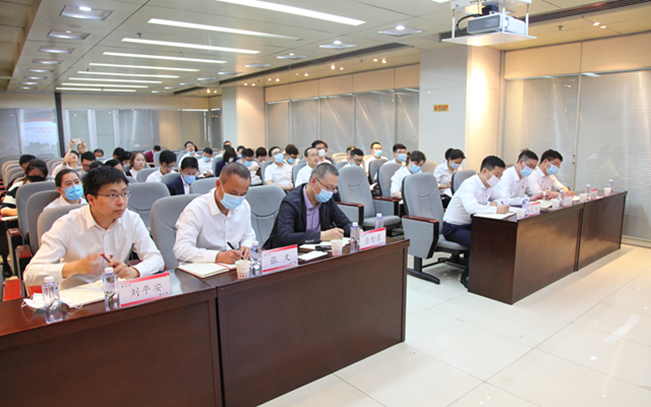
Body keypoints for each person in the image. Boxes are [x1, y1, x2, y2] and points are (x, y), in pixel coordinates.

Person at [23, 166, 164, 289]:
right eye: (112, 195)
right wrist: (75, 267)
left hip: (118, 293)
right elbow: (30, 275)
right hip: (78, 299)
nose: (121, 202)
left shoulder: (131, 219)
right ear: (91, 199)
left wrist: (133, 271)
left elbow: (156, 258)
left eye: (124, 193)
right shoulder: (67, 225)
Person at [442, 156, 509, 288]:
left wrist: (496, 203)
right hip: (453, 227)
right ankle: (468, 277)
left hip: (471, 225)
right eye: (497, 175)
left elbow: (503, 198)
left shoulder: (488, 186)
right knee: (480, 242)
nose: (498, 178)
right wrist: (495, 209)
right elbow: (471, 208)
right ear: (485, 171)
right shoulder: (470, 184)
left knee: (496, 236)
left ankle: (490, 272)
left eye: (500, 175)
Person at [174, 163, 256, 264]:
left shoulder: (244, 205)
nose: (237, 198)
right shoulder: (196, 209)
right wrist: (217, 256)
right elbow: (181, 249)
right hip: (202, 268)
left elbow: (248, 236)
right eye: (233, 193)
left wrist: (246, 246)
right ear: (218, 185)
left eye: (243, 194)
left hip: (233, 266)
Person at [265, 163, 352, 249]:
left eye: (334, 189)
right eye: (328, 187)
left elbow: (345, 223)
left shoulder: (327, 200)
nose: (331, 192)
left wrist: (355, 231)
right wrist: (321, 235)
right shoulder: (291, 202)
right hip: (288, 252)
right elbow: (285, 237)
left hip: (316, 251)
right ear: (313, 182)